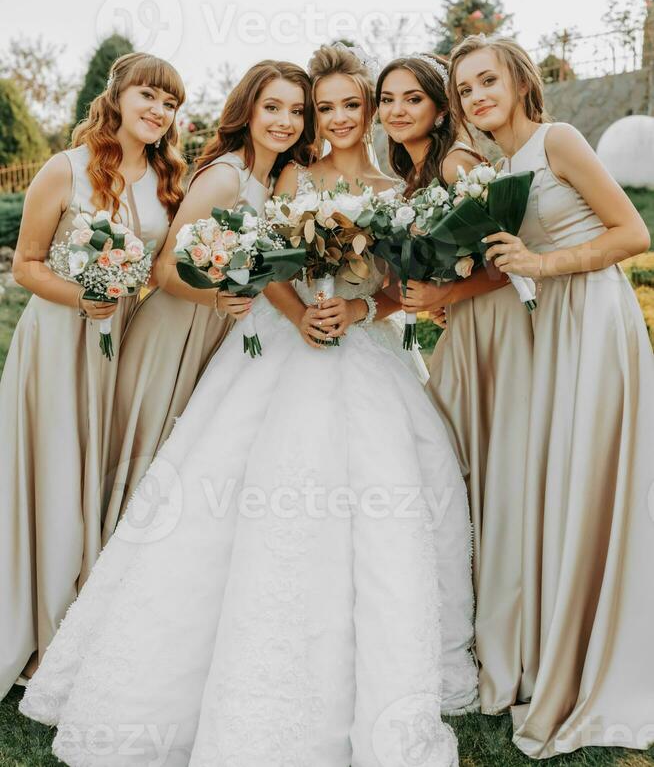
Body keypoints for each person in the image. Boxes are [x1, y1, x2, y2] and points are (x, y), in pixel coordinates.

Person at [20, 44, 477, 767]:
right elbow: (261, 262)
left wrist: (358, 313)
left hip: (361, 351)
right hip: (277, 342)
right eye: (319, 108)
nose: (333, 119)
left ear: (366, 108)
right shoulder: (294, 176)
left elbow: (399, 288)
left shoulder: (398, 189)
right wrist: (297, 312)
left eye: (344, 106)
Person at [451, 33, 654, 759]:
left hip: (595, 319)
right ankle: (558, 645)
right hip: (551, 327)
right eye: (465, 89)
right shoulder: (500, 167)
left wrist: (543, 262)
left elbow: (631, 231)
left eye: (486, 81)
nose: (476, 97)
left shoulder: (558, 139)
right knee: (564, 481)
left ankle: (605, 659)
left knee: (594, 473)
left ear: (519, 80)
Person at [0, 52, 186, 698]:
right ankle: (39, 631)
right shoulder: (66, 169)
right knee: (56, 471)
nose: (160, 111)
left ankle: (86, 624)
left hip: (123, 346)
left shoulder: (170, 179)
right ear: (119, 96)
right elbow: (26, 265)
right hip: (60, 339)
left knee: (100, 474)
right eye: (149, 96)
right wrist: (83, 297)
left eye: (170, 103)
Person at [101, 61, 316, 541]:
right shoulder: (227, 177)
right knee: (146, 453)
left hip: (216, 331)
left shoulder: (278, 176)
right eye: (272, 107)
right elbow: (164, 269)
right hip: (174, 327)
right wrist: (221, 297)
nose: (285, 121)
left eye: (297, 111)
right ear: (248, 111)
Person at [377, 53, 533, 716]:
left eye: (414, 98)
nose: (397, 110)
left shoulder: (456, 164)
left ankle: (510, 634)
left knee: (490, 467)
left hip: (489, 327)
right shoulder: (410, 173)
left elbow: (504, 266)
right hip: (455, 329)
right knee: (462, 469)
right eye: (387, 98)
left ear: (442, 108)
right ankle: (477, 620)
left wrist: (445, 290)